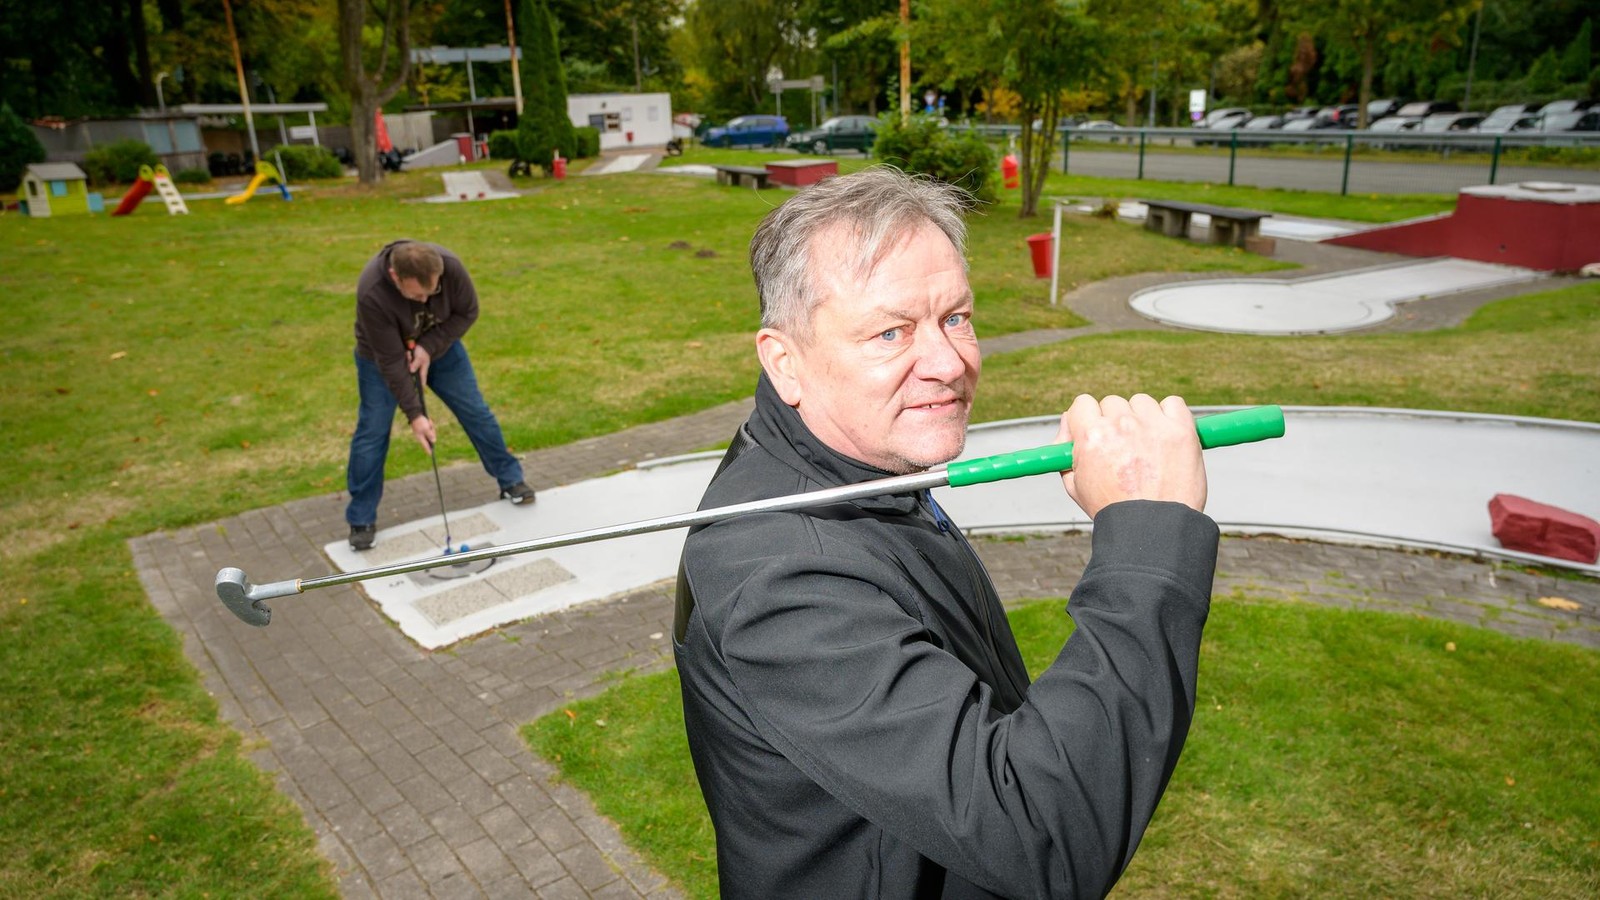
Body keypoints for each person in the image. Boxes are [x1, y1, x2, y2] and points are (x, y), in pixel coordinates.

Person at [673, 167, 1218, 898]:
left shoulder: (863, 464)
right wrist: (1150, 537)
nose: (948, 363)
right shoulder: (778, 577)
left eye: (955, 317)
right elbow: (1043, 830)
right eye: (891, 331)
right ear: (785, 361)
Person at [345, 240, 534, 550]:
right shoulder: (372, 292)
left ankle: (510, 478)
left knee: (475, 410)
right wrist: (416, 415)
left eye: (431, 293)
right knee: (372, 429)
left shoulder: (449, 267)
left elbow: (468, 311)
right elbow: (393, 363)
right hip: (381, 358)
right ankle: (361, 517)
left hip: (441, 348)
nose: (424, 300)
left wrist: (428, 347)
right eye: (417, 295)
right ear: (395, 277)